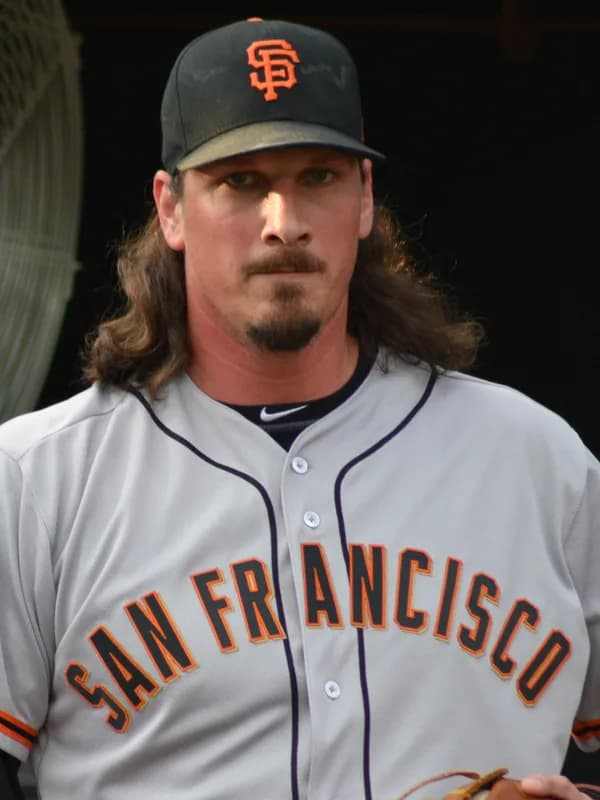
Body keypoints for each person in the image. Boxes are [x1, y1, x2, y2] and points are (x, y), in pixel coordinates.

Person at [0, 16, 598, 800]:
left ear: (364, 199)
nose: (284, 223)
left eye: (319, 176)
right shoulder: (35, 481)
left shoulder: (537, 461)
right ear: (170, 208)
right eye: (241, 181)